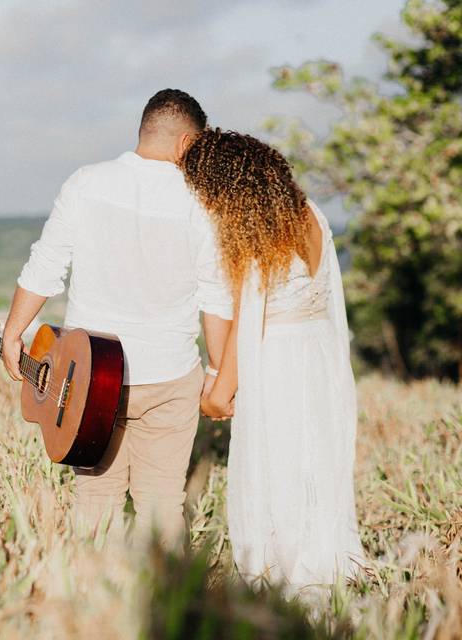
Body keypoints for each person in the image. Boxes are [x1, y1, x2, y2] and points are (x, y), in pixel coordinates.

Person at [1, 89, 233, 550]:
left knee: (95, 501)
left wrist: (13, 332)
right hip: (170, 375)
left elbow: (46, 265)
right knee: (162, 505)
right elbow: (216, 298)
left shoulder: (86, 183)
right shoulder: (203, 204)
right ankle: (166, 609)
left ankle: (91, 606)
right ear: (188, 143)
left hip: (88, 378)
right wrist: (216, 372)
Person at [182, 129, 366, 591]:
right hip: (318, 352)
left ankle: (284, 576)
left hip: (278, 358)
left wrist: (220, 391)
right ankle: (323, 563)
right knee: (315, 460)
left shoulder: (259, 234)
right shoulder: (311, 215)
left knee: (278, 462)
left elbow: (250, 317)